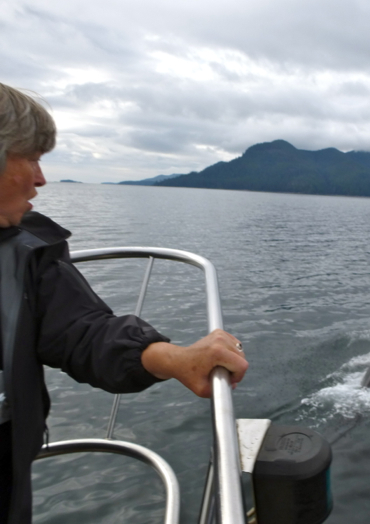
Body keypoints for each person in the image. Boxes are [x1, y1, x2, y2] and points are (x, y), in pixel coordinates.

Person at [0, 82, 249, 524]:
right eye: (32, 159)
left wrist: (171, 357)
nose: (41, 178)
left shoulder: (27, 253)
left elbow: (81, 331)